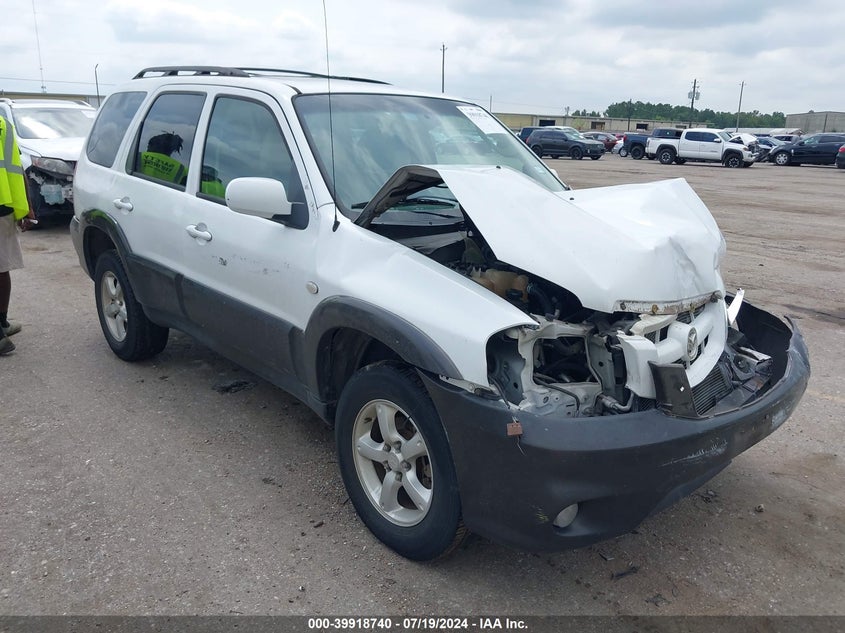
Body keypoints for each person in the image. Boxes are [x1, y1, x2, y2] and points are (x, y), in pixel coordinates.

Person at [0, 113, 36, 355]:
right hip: (3, 204)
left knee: (2, 268)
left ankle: (1, 324)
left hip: (3, 206)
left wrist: (27, 206)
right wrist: (26, 205)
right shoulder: (4, 124)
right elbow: (17, 168)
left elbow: (14, 166)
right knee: (1, 268)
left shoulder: (4, 125)